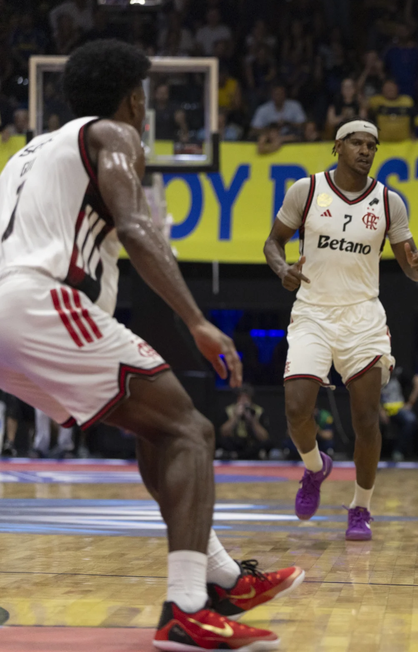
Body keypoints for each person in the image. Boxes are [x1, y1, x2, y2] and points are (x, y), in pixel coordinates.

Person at [0, 40, 301, 650]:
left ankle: (219, 577)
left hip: (11, 311)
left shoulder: (24, 155)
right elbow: (137, 227)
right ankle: (186, 608)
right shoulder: (114, 135)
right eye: (145, 99)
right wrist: (197, 320)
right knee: (192, 431)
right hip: (43, 302)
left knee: (159, 427)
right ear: (135, 99)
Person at [263, 119, 418, 542]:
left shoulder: (390, 202)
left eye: (372, 145)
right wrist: (282, 268)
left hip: (362, 318)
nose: (366, 150)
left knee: (366, 420)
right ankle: (316, 468)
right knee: (297, 409)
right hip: (313, 313)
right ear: (338, 146)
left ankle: (360, 508)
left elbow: (409, 269)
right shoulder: (306, 190)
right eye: (357, 143)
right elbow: (273, 242)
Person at [379, 367, 418, 461]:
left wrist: (410, 403)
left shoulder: (399, 372)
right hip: (379, 409)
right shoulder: (374, 373)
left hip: (398, 409)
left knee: (410, 419)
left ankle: (398, 451)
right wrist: (380, 411)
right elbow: (369, 394)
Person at [217, 385, 271, 460]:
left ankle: (239, 455)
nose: (243, 401)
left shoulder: (258, 411)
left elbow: (264, 437)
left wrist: (253, 421)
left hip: (251, 443)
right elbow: (223, 433)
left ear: (251, 399)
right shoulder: (229, 410)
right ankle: (237, 454)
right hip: (235, 442)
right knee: (222, 441)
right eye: (241, 398)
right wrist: (235, 417)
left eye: (246, 398)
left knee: (267, 443)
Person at [367, 78, 414, 143]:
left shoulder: (407, 101)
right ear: (382, 89)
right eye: (387, 88)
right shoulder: (376, 101)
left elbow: (414, 120)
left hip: (404, 144)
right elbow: (362, 106)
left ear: (397, 88)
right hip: (383, 144)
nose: (390, 90)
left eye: (392, 87)